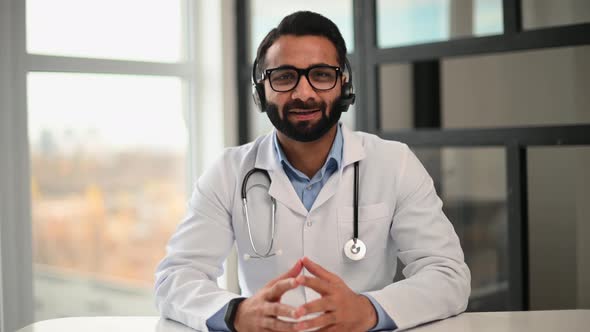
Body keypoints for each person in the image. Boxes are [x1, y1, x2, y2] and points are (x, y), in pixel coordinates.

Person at [155, 11, 470, 332]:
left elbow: (446, 275)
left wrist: (369, 310)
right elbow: (175, 277)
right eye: (284, 76)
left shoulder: (394, 162)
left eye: (320, 75)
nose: (303, 93)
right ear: (260, 91)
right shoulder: (228, 172)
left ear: (344, 85)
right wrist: (235, 314)